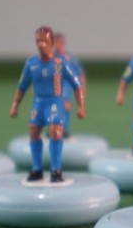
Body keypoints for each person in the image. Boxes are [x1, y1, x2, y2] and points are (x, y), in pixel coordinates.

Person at [10, 26, 85, 183]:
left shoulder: (60, 63)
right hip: (38, 103)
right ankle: (37, 169)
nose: (41, 44)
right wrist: (15, 105)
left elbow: (76, 84)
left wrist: (81, 106)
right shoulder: (31, 63)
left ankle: (56, 170)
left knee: (55, 132)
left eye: (44, 40)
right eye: (38, 40)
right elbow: (22, 86)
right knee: (33, 131)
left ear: (52, 42)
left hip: (54, 102)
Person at [54, 32, 86, 139]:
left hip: (66, 85)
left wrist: (82, 87)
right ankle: (53, 129)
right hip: (53, 84)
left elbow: (80, 72)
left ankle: (65, 130)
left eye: (60, 42)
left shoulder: (70, 57)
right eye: (56, 42)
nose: (59, 44)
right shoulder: (51, 57)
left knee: (66, 106)